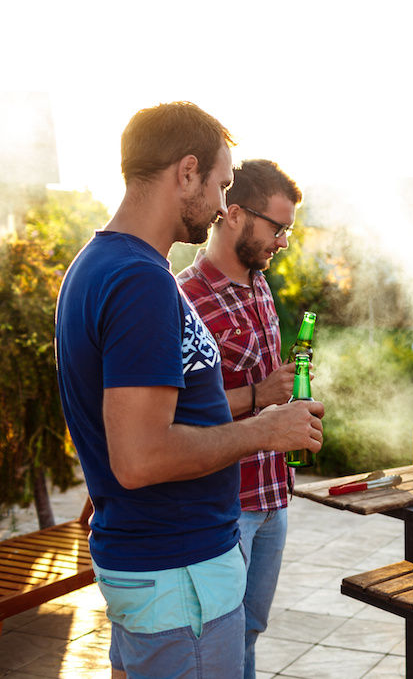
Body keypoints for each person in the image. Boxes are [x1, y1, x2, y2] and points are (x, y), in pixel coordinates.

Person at [54, 102, 324, 679]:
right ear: (186, 171)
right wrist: (263, 428)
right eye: (222, 185)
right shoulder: (139, 281)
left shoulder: (103, 266)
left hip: (166, 574)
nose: (225, 206)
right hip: (179, 576)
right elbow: (139, 456)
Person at [177, 159, 301, 679]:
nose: (282, 243)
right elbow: (177, 411)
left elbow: (266, 387)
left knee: (249, 631)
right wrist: (258, 394)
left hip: (274, 498)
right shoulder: (185, 296)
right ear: (234, 215)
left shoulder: (259, 285)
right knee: (219, 644)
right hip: (228, 506)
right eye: (278, 228)